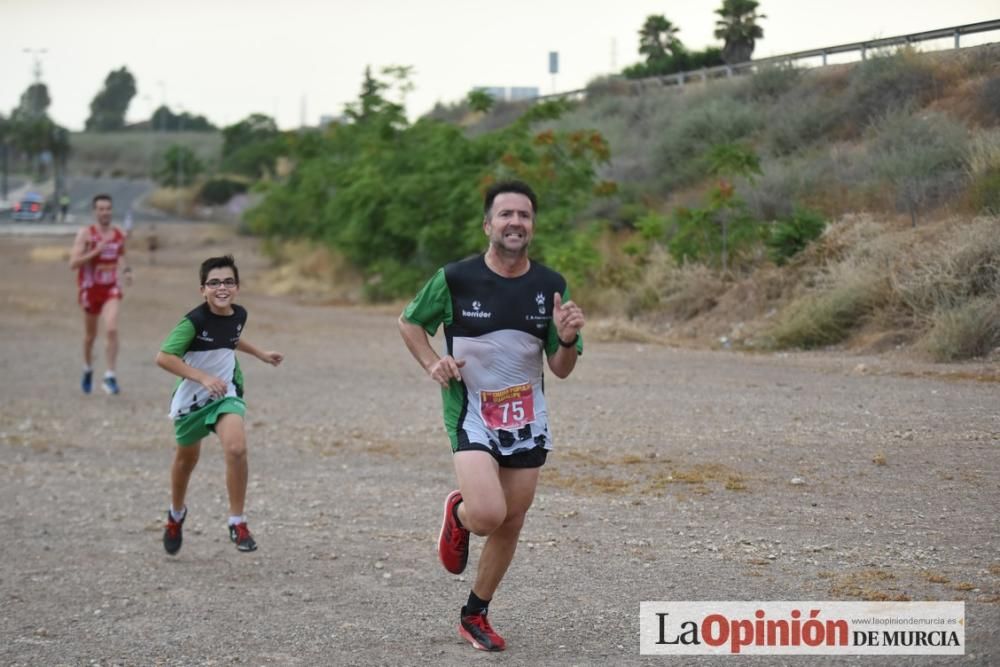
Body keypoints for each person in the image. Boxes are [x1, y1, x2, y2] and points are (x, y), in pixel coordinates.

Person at [398, 180, 585, 652]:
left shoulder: (550, 285)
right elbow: (410, 321)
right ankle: (460, 514)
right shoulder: (455, 278)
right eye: (506, 215)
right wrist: (432, 361)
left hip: (527, 418)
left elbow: (560, 370)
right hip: (472, 412)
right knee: (486, 514)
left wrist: (564, 340)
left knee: (512, 519)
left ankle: (474, 614)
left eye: (524, 215)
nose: (515, 222)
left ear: (533, 226)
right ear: (488, 225)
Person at [155, 255, 283, 555]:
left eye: (228, 281)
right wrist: (202, 377)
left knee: (237, 449)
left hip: (226, 392)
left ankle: (237, 521)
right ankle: (175, 515)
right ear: (203, 289)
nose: (221, 287)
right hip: (192, 398)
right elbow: (163, 357)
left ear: (237, 287)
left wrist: (261, 353)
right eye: (214, 283)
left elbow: (232, 338)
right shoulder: (193, 322)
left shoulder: (239, 314)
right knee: (186, 460)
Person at [69, 193, 131, 395]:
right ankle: (87, 368)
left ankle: (110, 376)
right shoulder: (86, 234)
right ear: (95, 211)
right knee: (90, 337)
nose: (105, 212)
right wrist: (96, 251)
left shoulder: (119, 234)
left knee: (112, 329)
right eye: (101, 209)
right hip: (90, 289)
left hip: (111, 288)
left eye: (108, 208)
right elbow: (73, 263)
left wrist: (127, 271)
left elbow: (120, 256)